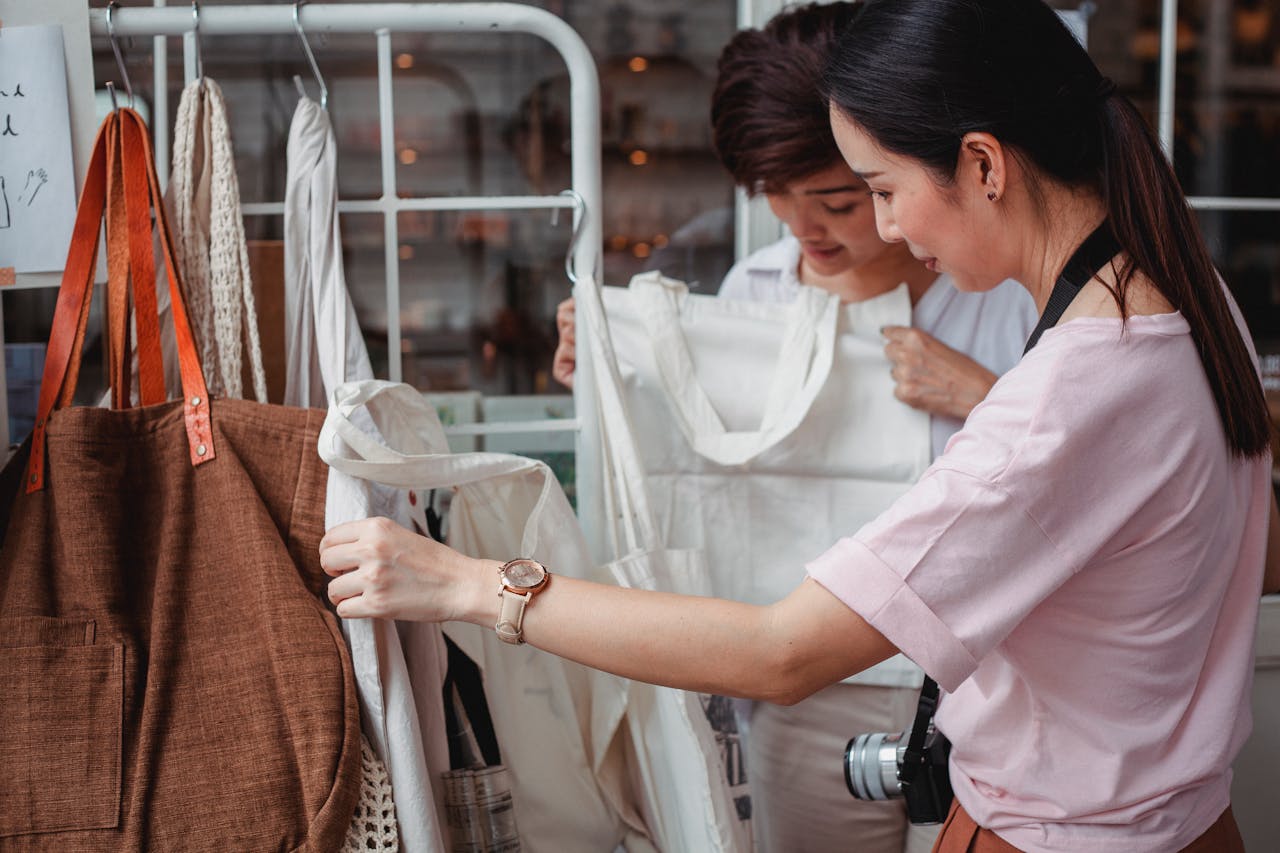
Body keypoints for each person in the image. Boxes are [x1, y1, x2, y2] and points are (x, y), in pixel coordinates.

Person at [321, 0, 1280, 850]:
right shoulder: (1183, 300)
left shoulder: (1068, 394)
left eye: (881, 189)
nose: (889, 228)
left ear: (982, 164)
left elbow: (782, 653)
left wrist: (471, 583)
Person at [556, 5, 1036, 850]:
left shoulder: (1005, 298)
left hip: (987, 681)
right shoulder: (758, 290)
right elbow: (705, 477)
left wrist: (983, 397)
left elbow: (1084, 478)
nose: (800, 227)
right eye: (774, 198)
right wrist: (607, 374)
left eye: (843, 201)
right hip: (809, 687)